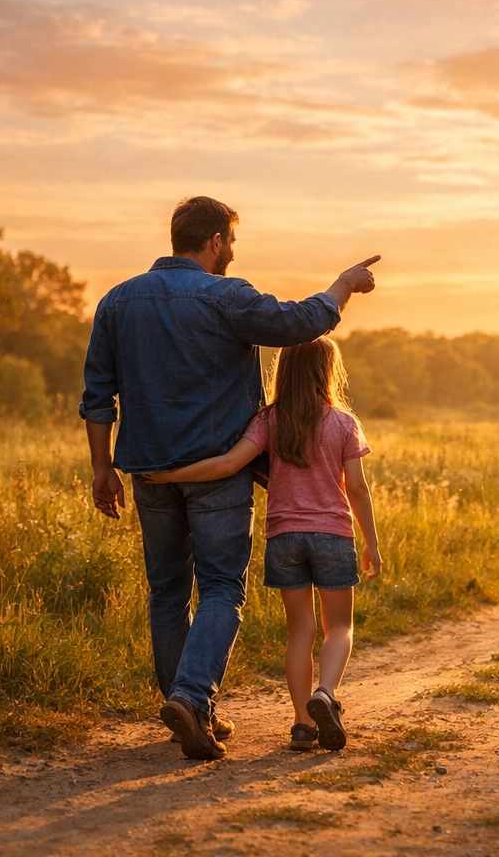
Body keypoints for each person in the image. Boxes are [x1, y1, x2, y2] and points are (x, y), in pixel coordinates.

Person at [79, 195, 379, 761]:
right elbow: (300, 323)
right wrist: (341, 285)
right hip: (219, 469)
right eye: (230, 244)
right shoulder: (226, 297)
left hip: (150, 472)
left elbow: (98, 397)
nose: (232, 255)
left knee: (166, 591)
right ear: (215, 241)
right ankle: (192, 699)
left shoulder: (116, 303)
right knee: (221, 587)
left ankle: (190, 709)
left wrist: (102, 467)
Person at [144, 336, 380, 752]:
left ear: (284, 370)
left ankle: (303, 724)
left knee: (300, 630)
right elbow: (357, 488)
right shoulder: (343, 423)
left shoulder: (269, 421)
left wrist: (167, 477)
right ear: (329, 371)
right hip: (333, 536)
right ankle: (325, 694)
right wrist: (372, 543)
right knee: (339, 626)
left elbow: (230, 464)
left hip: (283, 538)